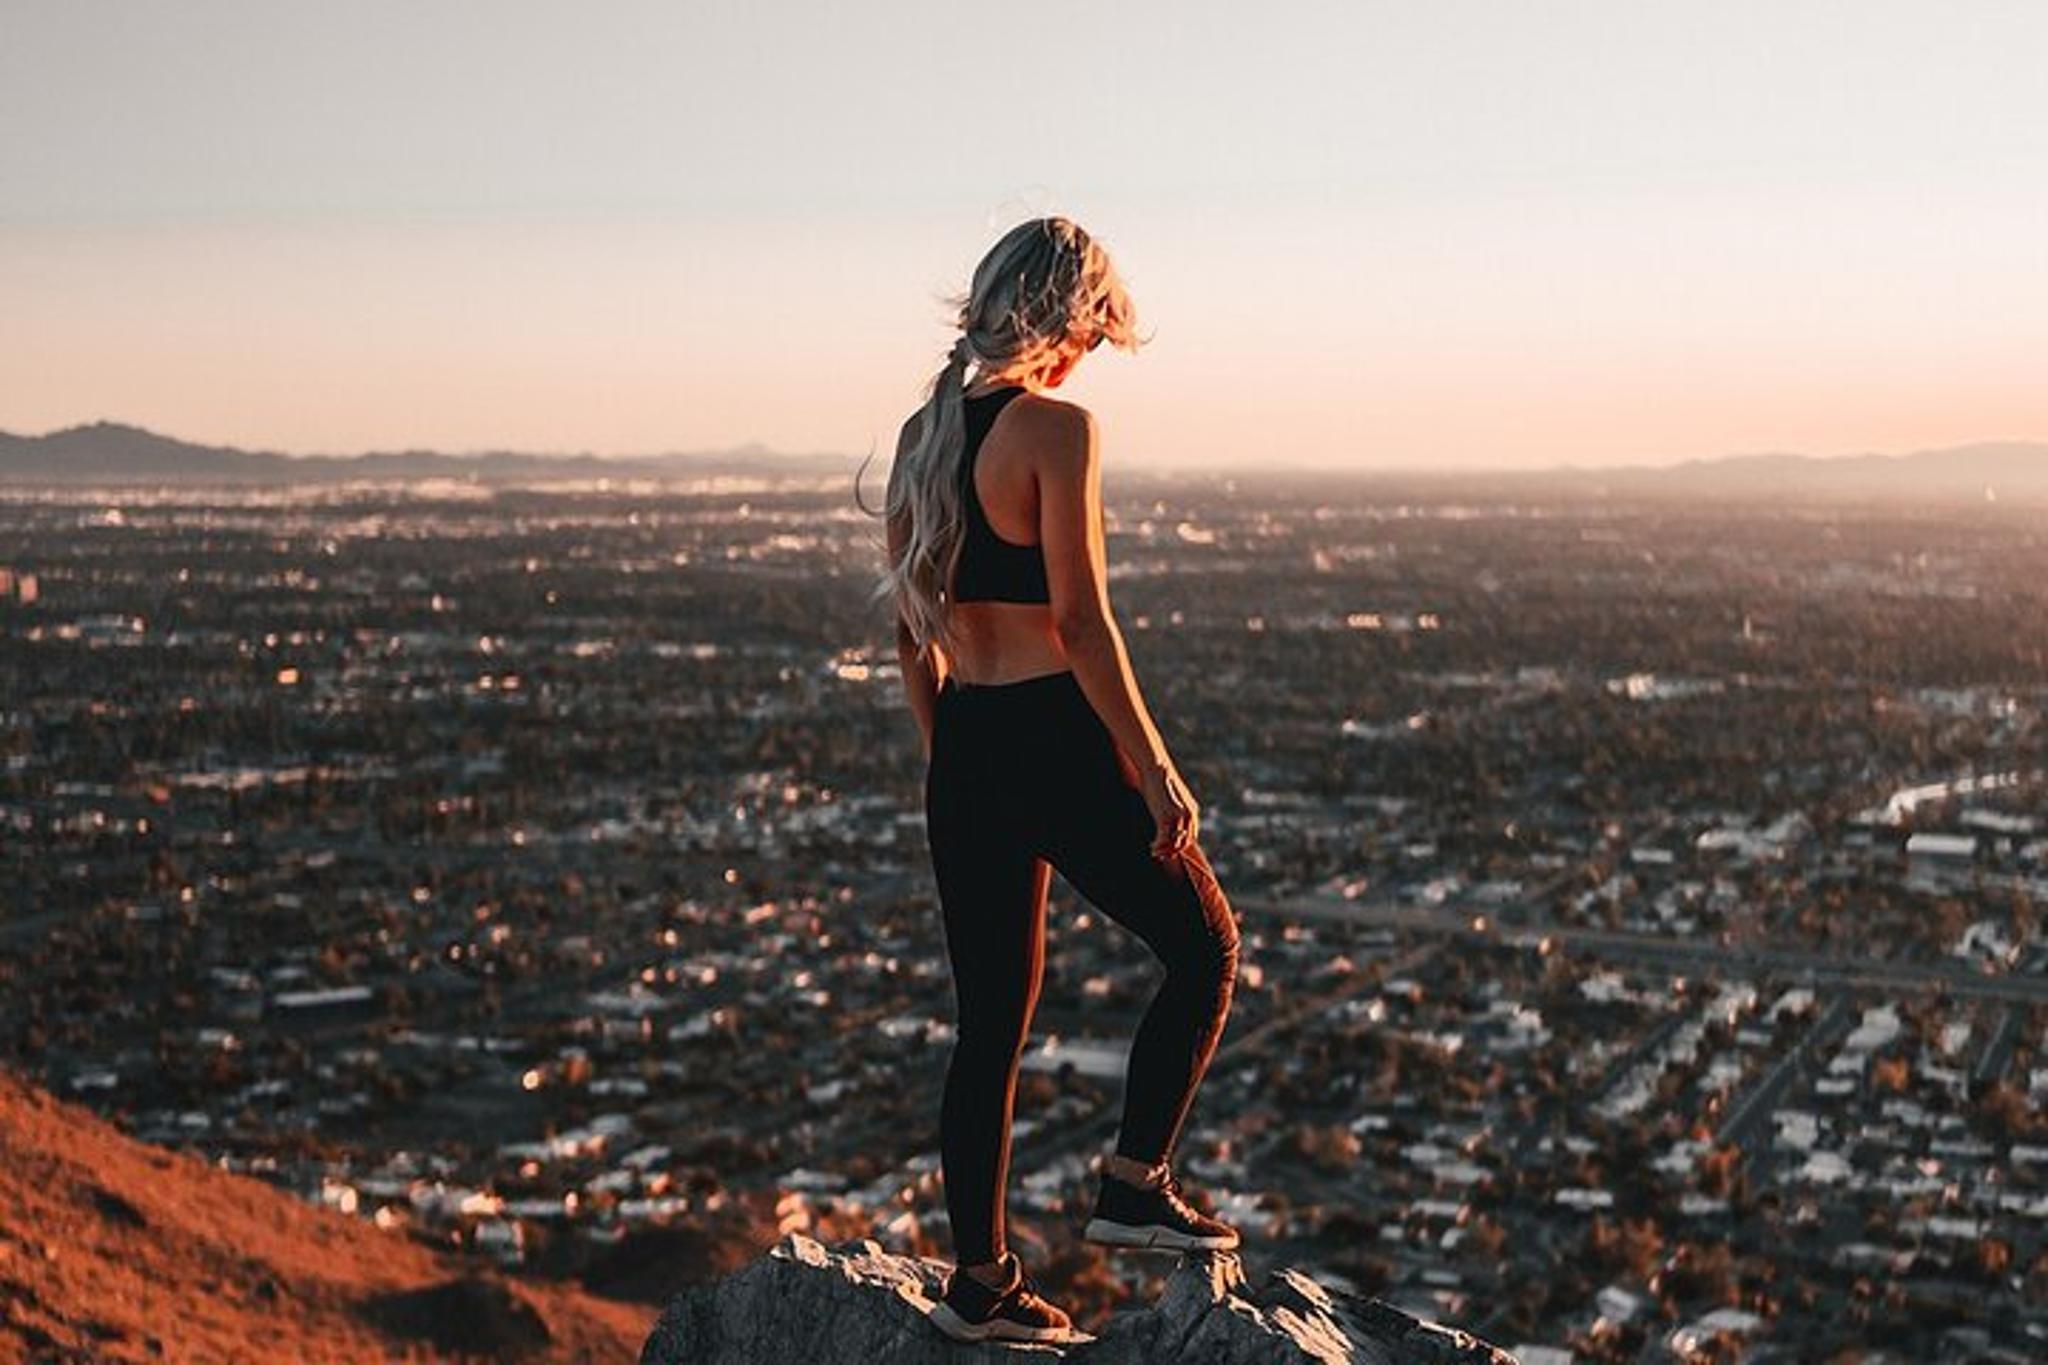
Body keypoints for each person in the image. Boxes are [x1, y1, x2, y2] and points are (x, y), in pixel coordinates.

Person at [859, 217, 1244, 1345]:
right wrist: (1153, 766)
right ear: (1064, 322)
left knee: (989, 1026)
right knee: (1204, 946)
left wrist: (947, 750)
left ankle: (978, 1282)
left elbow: (907, 637)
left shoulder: (920, 435)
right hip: (1053, 737)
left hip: (969, 737)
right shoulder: (1055, 430)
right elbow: (1080, 622)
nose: (1088, 359)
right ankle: (1133, 1183)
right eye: (1091, 333)